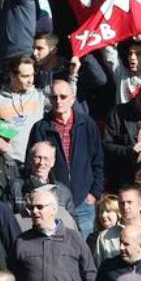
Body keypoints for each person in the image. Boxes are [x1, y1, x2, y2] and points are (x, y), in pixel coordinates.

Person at [28, 79, 105, 236]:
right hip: (53, 200)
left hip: (84, 201)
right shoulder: (41, 128)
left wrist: (94, 193)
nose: (59, 101)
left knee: (83, 250)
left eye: (63, 96)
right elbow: (33, 164)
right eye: (54, 97)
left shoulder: (87, 124)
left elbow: (98, 161)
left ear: (73, 98)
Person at [11, 187, 96, 281]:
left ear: (53, 209)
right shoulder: (22, 241)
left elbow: (90, 275)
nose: (34, 211)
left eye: (40, 207)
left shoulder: (74, 238)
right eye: (31, 207)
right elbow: (13, 279)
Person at [0, 55, 48, 163]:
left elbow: (67, 101)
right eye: (25, 76)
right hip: (9, 164)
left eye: (32, 75)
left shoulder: (40, 96)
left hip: (37, 162)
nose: (30, 80)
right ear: (12, 75)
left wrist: (73, 76)